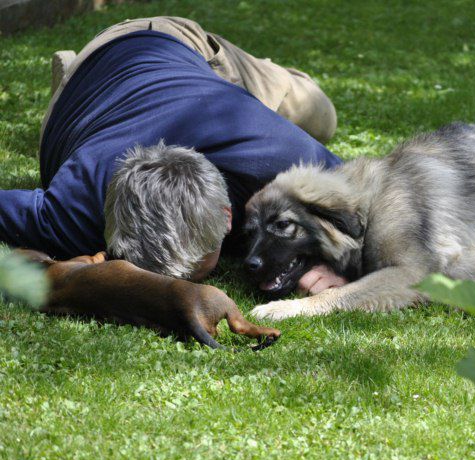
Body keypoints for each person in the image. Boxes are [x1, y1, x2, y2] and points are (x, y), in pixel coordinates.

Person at [0, 16, 347, 291]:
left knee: (322, 117)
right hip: (84, 93)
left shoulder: (283, 158)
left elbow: (372, 200)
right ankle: (76, 75)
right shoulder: (74, 213)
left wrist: (340, 263)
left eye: (194, 273)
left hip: (167, 45)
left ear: (228, 217)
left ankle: (274, 79)